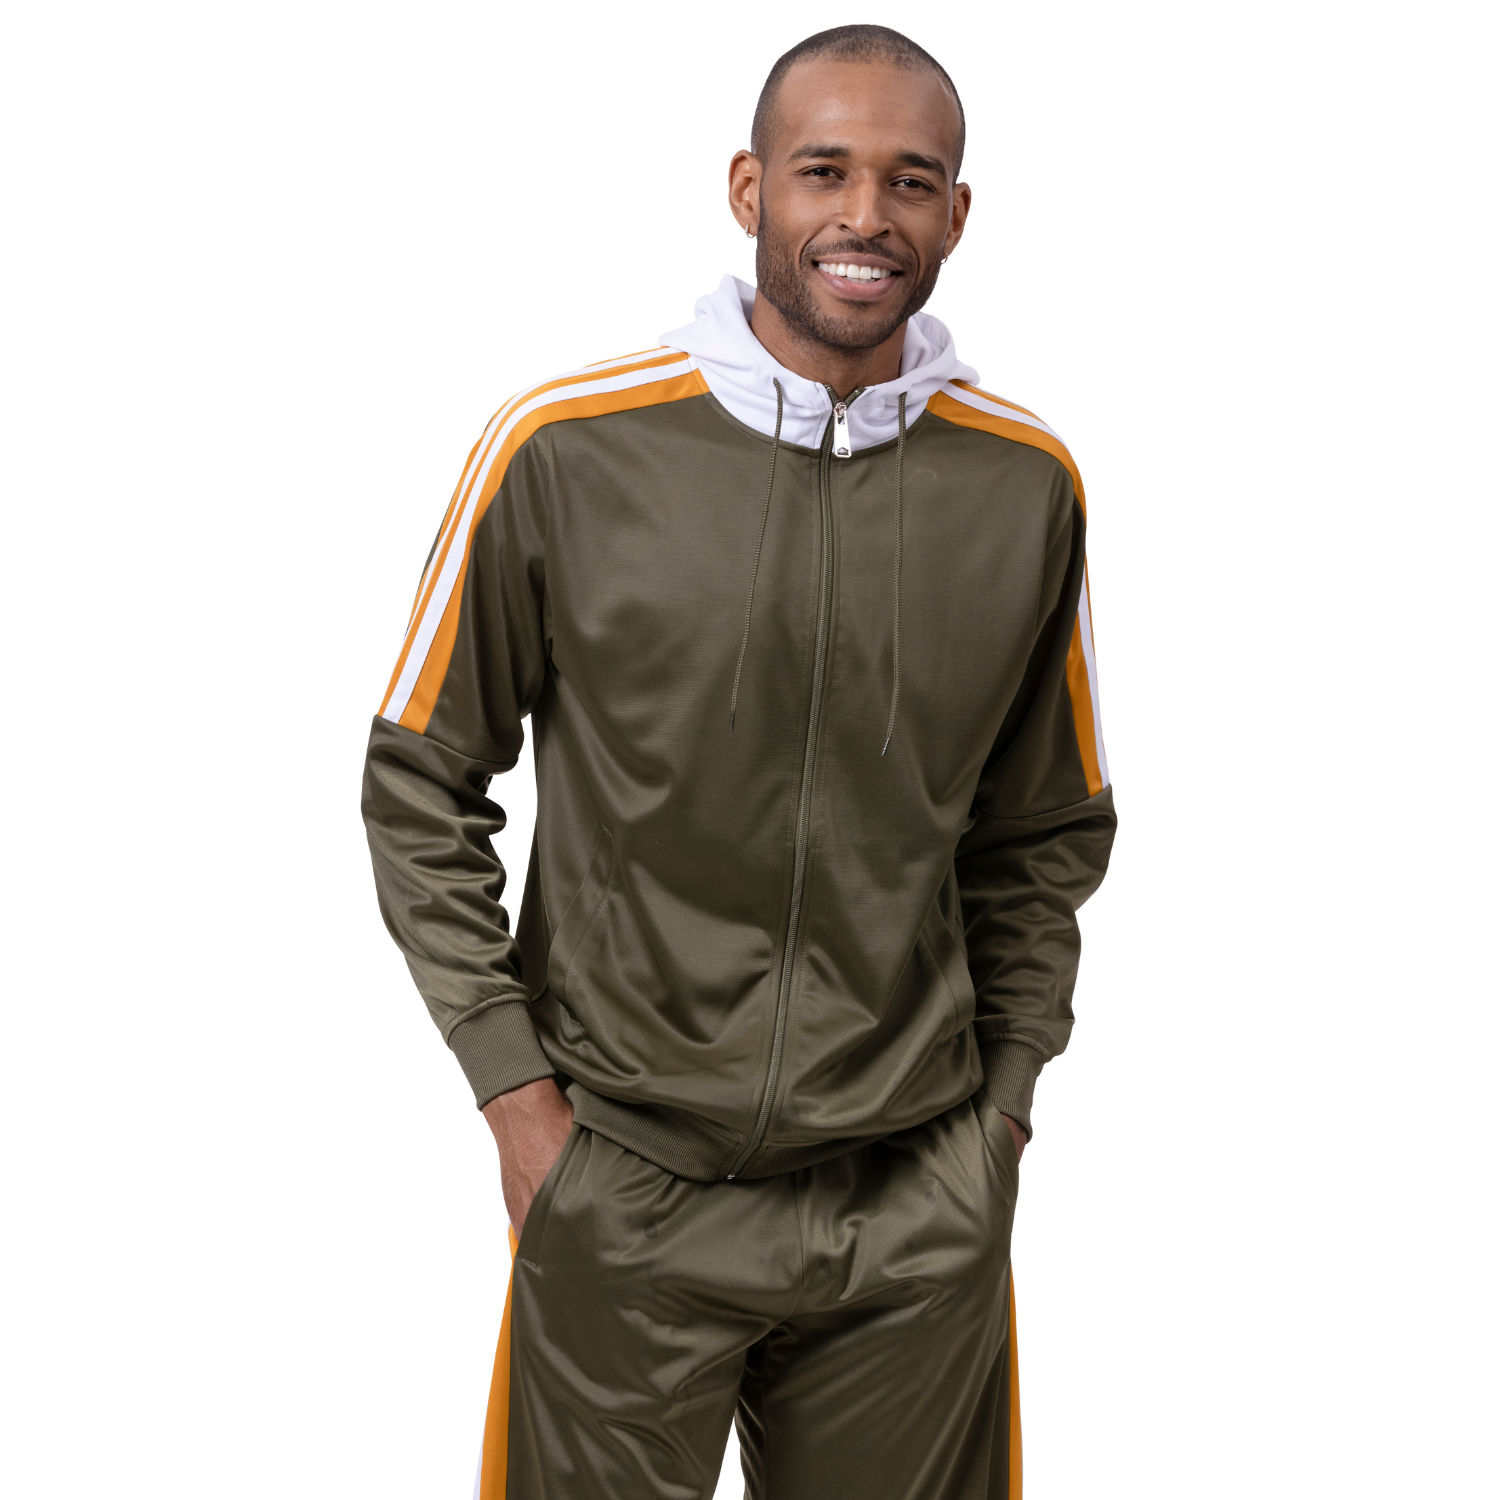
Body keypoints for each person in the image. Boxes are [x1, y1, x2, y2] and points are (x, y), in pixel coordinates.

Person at [361, 24, 1115, 1500]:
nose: (865, 217)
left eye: (911, 181)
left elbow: (1043, 832)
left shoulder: (1026, 486)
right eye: (824, 171)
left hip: (912, 1210)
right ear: (748, 188)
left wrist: (1002, 1121)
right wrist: (520, 1106)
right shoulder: (565, 451)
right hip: (623, 1186)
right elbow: (419, 780)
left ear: (958, 213)